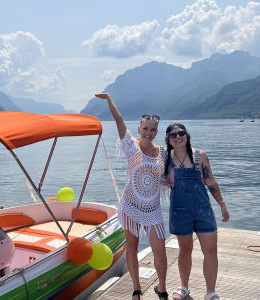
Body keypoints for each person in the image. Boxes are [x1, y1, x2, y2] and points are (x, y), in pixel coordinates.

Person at [95, 93, 168, 300]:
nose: (149, 132)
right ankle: (136, 290)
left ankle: (162, 288)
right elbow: (118, 120)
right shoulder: (131, 148)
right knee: (132, 247)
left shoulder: (162, 152)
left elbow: (168, 177)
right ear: (139, 128)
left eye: (153, 129)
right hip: (131, 207)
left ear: (156, 131)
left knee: (160, 252)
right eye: (145, 128)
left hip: (153, 210)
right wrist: (110, 99)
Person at [164, 123, 229, 300]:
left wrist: (222, 203)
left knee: (211, 251)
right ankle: (184, 287)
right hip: (179, 212)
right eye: (173, 135)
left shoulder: (200, 156)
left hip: (203, 211)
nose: (178, 137)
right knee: (185, 250)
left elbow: (210, 181)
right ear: (168, 139)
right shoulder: (165, 159)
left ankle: (211, 292)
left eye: (181, 133)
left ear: (187, 135)